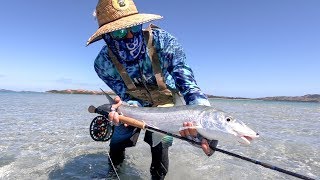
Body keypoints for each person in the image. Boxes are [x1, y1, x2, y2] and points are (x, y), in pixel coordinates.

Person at [86, 0, 217, 179]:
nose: (131, 36)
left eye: (134, 27)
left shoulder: (165, 42)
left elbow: (187, 84)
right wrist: (121, 107)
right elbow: (125, 95)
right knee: (118, 138)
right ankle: (113, 173)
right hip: (135, 105)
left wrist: (205, 121)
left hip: (166, 103)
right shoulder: (103, 64)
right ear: (107, 36)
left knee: (162, 142)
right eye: (120, 31)